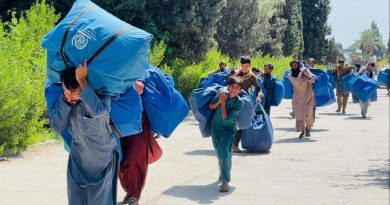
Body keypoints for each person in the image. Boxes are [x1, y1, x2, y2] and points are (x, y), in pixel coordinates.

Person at [49, 61, 119, 205]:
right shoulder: (66, 100)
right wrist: (67, 102)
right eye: (65, 91)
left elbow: (99, 111)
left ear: (82, 87)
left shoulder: (101, 96)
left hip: (102, 165)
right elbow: (56, 125)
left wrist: (82, 80)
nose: (68, 96)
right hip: (77, 164)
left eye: (73, 92)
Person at [119, 81, 163, 205]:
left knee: (135, 161)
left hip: (139, 127)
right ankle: (130, 192)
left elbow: (139, 89)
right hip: (119, 126)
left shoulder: (136, 78)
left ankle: (134, 195)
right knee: (121, 162)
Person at [209, 77, 244, 192]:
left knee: (225, 151)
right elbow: (211, 106)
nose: (234, 90)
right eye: (232, 87)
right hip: (215, 127)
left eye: (237, 88)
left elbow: (225, 118)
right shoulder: (222, 94)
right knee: (219, 152)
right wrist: (220, 100)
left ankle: (225, 181)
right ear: (228, 86)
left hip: (228, 129)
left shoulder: (239, 102)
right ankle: (222, 171)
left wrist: (223, 103)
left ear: (240, 90)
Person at [228, 56, 263, 153]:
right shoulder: (235, 72)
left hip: (243, 101)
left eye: (246, 66)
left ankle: (235, 145)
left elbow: (258, 88)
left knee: (241, 123)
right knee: (229, 121)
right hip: (231, 98)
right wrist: (236, 73)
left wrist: (259, 95)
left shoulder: (252, 76)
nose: (244, 68)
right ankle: (228, 143)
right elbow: (227, 81)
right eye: (243, 66)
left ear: (250, 66)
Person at [288, 64, 316, 138]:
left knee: (308, 113)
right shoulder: (290, 75)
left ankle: (307, 128)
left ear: (298, 65)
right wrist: (302, 74)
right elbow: (297, 82)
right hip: (298, 98)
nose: (294, 67)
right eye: (292, 65)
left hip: (309, 96)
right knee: (300, 115)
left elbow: (313, 80)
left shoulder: (305, 71)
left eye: (296, 65)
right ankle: (303, 131)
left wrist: (306, 75)